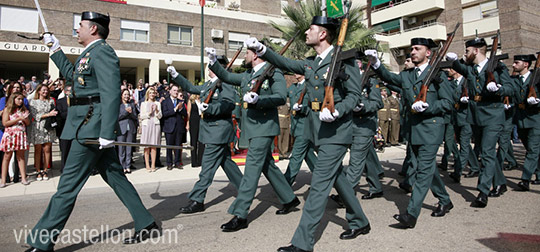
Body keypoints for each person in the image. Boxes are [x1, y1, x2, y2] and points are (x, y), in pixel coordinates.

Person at [25, 12, 159, 252]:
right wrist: (55, 49)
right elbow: (74, 77)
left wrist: (107, 131)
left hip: (91, 128)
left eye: (81, 25)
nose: (77, 29)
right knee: (115, 176)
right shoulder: (89, 53)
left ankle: (42, 242)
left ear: (94, 29)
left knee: (66, 187)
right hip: (84, 124)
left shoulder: (103, 52)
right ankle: (146, 222)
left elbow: (111, 94)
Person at [249, 16, 371, 251]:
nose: (306, 32)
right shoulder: (312, 62)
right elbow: (284, 62)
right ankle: (360, 221)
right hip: (316, 130)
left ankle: (302, 243)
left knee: (319, 186)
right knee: (337, 178)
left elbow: (355, 96)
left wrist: (337, 110)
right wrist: (263, 50)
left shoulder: (344, 60)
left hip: (336, 131)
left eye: (311, 29)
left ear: (323, 34)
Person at [207, 44, 300, 233]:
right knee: (267, 165)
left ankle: (241, 214)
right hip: (252, 128)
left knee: (251, 169)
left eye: (248, 52)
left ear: (256, 55)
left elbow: (281, 97)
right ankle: (289, 198)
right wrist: (213, 62)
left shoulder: (274, 73)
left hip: (264, 128)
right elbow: (226, 76)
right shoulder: (248, 75)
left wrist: (259, 100)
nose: (246, 55)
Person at [367, 37, 454, 228]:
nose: (413, 51)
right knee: (428, 168)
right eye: (412, 48)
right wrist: (377, 64)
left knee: (423, 171)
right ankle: (445, 200)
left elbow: (449, 102)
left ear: (428, 53)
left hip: (431, 128)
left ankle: (411, 214)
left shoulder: (437, 74)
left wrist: (428, 106)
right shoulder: (408, 75)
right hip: (414, 129)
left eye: (417, 49)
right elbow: (390, 78)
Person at [446, 37, 514, 208]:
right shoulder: (472, 69)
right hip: (475, 114)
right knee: (485, 151)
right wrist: (453, 62)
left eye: (467, 51)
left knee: (487, 152)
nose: (465, 54)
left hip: (493, 113)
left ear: (476, 51)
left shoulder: (497, 67)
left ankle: (483, 192)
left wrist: (499, 89)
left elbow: (510, 87)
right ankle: (500, 183)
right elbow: (460, 67)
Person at [167, 62, 243, 214]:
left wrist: (210, 108)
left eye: (211, 66)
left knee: (206, 168)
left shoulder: (224, 84)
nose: (208, 69)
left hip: (218, 132)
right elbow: (191, 88)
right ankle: (245, 188)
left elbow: (228, 105)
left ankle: (197, 199)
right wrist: (176, 75)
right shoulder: (209, 84)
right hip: (211, 132)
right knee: (227, 163)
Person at [512, 54, 540, 190]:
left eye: (516, 62)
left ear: (526, 64)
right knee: (532, 149)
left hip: (535, 119)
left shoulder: (537, 78)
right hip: (521, 119)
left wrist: (538, 101)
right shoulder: (515, 80)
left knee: (533, 150)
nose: (513, 65)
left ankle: (525, 179)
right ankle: (539, 174)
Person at [283, 74, 317, 185]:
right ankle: (325, 177)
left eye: (297, 71)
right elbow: (281, 96)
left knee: (296, 156)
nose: (294, 73)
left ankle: (285, 183)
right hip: (296, 126)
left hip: (305, 126)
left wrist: (304, 109)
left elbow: (316, 106)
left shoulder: (311, 86)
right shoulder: (293, 87)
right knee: (309, 155)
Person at [0, 92, 30, 187]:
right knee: (7, 157)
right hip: (10, 135)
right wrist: (18, 119)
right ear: (13, 99)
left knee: (21, 157)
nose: (20, 101)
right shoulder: (7, 109)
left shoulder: (23, 109)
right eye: (18, 99)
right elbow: (5, 123)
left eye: (21, 99)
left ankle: (23, 178)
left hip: (20, 134)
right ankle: (3, 180)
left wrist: (24, 118)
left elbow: (28, 123)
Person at [29, 84, 57, 181]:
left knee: (47, 149)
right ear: (39, 91)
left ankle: (45, 170)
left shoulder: (51, 100)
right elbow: (35, 116)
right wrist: (48, 114)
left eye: (47, 90)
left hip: (49, 127)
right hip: (38, 127)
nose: (45, 92)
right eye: (43, 90)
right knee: (38, 150)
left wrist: (51, 115)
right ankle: (38, 170)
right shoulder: (33, 102)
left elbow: (54, 112)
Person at [161, 85, 187, 170]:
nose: (176, 92)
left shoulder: (181, 101)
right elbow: (165, 114)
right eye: (174, 90)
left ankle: (177, 162)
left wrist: (180, 109)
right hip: (169, 126)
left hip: (179, 127)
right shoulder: (165, 102)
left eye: (177, 91)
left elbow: (185, 114)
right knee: (169, 146)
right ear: (170, 92)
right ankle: (169, 163)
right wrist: (175, 109)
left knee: (178, 145)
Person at [140, 88, 162, 172]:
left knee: (154, 146)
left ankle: (153, 164)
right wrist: (148, 113)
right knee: (146, 146)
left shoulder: (158, 103)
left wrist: (156, 110)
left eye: (153, 93)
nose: (152, 94)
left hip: (155, 124)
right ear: (148, 94)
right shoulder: (143, 104)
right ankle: (147, 165)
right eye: (150, 93)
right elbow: (141, 116)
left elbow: (160, 116)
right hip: (147, 124)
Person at [118, 89, 138, 174]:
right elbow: (118, 117)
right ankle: (122, 166)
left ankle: (128, 166)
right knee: (121, 149)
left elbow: (135, 117)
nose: (126, 96)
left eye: (128, 94)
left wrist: (131, 113)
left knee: (129, 148)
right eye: (125, 94)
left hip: (130, 128)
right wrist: (126, 112)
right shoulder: (119, 105)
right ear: (122, 95)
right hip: (121, 128)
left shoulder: (132, 105)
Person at [187, 94, 204, 167]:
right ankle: (194, 161)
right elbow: (188, 113)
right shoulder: (191, 101)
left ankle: (200, 160)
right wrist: (187, 123)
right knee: (193, 141)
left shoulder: (202, 100)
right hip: (193, 121)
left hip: (202, 121)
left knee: (202, 142)